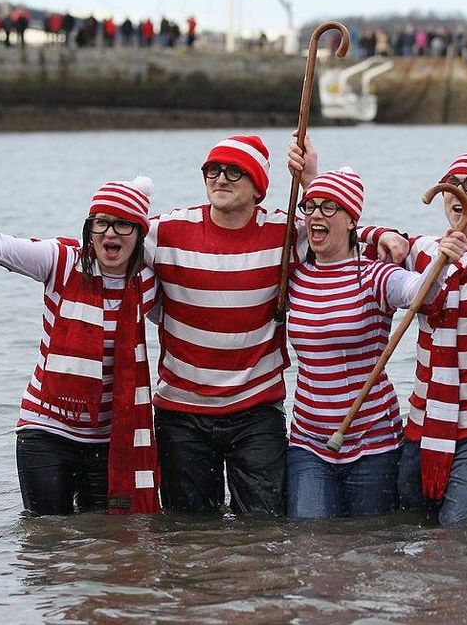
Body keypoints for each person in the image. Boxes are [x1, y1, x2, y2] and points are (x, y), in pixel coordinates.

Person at [142, 135, 408, 517]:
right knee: (188, 532)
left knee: (264, 529)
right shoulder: (166, 231)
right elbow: (115, 239)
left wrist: (379, 232)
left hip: (256, 411)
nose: (221, 179)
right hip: (182, 411)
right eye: (213, 170)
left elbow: (335, 232)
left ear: (258, 189)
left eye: (235, 172)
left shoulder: (285, 235)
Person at [291, 142, 467, 527]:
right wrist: (373, 226)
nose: (456, 191)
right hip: (424, 422)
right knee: (406, 531)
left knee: (456, 537)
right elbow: (346, 228)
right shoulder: (425, 250)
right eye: (450, 182)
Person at [0, 177, 161, 516]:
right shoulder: (61, 261)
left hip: (110, 438)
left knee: (105, 545)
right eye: (101, 223)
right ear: (90, 229)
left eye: (123, 224)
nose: (110, 233)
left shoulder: (149, 282)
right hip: (46, 430)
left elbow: (189, 323)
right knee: (46, 538)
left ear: (139, 234)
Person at [286, 168, 467, 519]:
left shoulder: (375, 275)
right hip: (308, 443)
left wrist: (442, 262)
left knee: (370, 550)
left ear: (352, 221)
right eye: (310, 208)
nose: (315, 216)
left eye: (329, 208)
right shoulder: (293, 275)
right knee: (310, 545)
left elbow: (420, 292)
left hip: (374, 443)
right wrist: (308, 172)